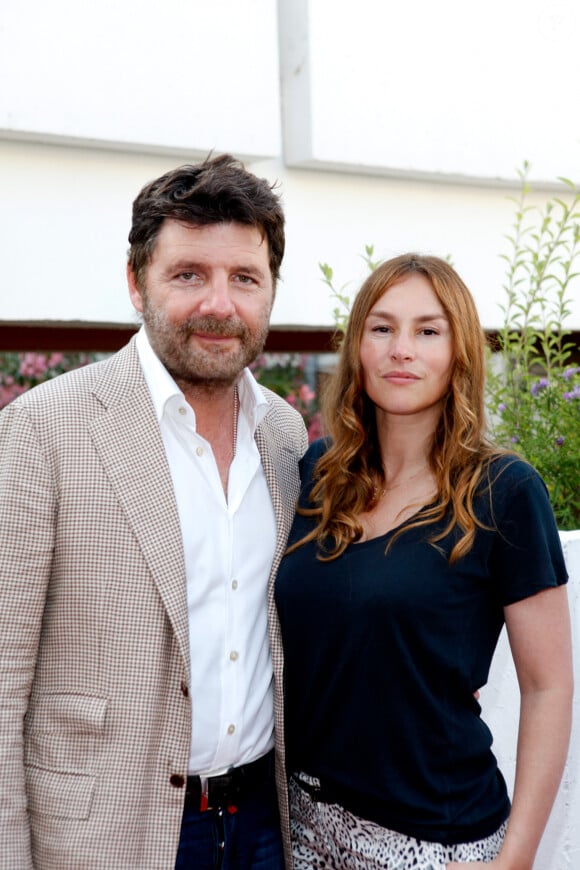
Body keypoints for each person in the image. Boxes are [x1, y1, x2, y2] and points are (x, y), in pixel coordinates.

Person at [0, 154, 308, 869]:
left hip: (265, 825)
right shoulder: (45, 429)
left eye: (244, 279)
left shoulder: (285, 435)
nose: (218, 305)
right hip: (102, 837)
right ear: (136, 283)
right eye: (188, 274)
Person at [275, 253, 573, 869]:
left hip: (436, 840)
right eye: (381, 328)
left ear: (458, 352)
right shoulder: (317, 475)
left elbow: (548, 686)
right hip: (302, 823)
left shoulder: (505, 490)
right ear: (357, 345)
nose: (400, 349)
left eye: (427, 330)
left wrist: (514, 860)